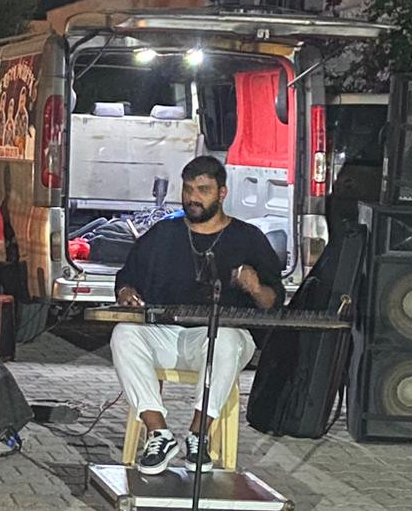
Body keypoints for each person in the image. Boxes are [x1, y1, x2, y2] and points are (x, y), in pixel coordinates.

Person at [111, 155, 283, 475]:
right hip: (167, 334)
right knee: (124, 333)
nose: (193, 198)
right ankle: (159, 433)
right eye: (188, 189)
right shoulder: (163, 233)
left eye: (203, 190)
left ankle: (198, 435)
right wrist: (125, 292)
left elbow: (273, 301)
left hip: (222, 338)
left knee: (224, 338)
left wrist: (256, 287)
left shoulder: (248, 238)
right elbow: (126, 277)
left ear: (222, 193)